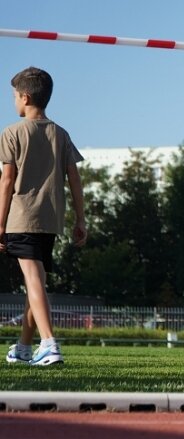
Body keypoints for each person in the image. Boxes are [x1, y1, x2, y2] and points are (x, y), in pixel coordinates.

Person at [1, 67, 87, 366]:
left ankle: (49, 343)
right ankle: (24, 347)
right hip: (50, 219)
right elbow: (74, 179)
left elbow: (6, 181)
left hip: (21, 217)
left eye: (13, 96)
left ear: (24, 97)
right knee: (34, 281)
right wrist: (80, 219)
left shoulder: (12, 132)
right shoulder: (60, 134)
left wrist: (0, 225)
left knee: (33, 279)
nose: (13, 101)